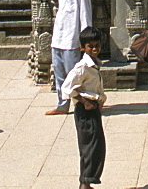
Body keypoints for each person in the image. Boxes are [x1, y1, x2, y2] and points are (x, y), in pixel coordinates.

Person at [60, 26, 107, 188]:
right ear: (83, 48)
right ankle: (85, 183)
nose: (94, 49)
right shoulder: (81, 67)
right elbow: (66, 88)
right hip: (84, 110)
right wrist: (84, 101)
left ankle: (87, 181)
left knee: (96, 145)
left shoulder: (94, 64)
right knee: (90, 147)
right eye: (90, 46)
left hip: (93, 108)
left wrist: (99, 101)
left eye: (97, 46)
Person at [46, 0, 93, 116]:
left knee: (75, 75)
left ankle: (83, 103)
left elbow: (85, 12)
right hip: (59, 37)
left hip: (72, 39)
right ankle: (62, 105)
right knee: (59, 75)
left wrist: (85, 39)